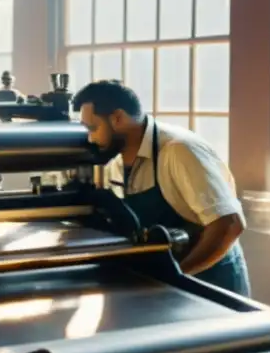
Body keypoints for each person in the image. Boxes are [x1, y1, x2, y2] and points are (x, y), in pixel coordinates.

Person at [73, 80, 250, 297]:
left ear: (118, 118)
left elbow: (229, 225)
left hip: (211, 284)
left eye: (93, 128)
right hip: (168, 284)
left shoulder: (178, 151)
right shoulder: (117, 160)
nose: (90, 138)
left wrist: (177, 277)